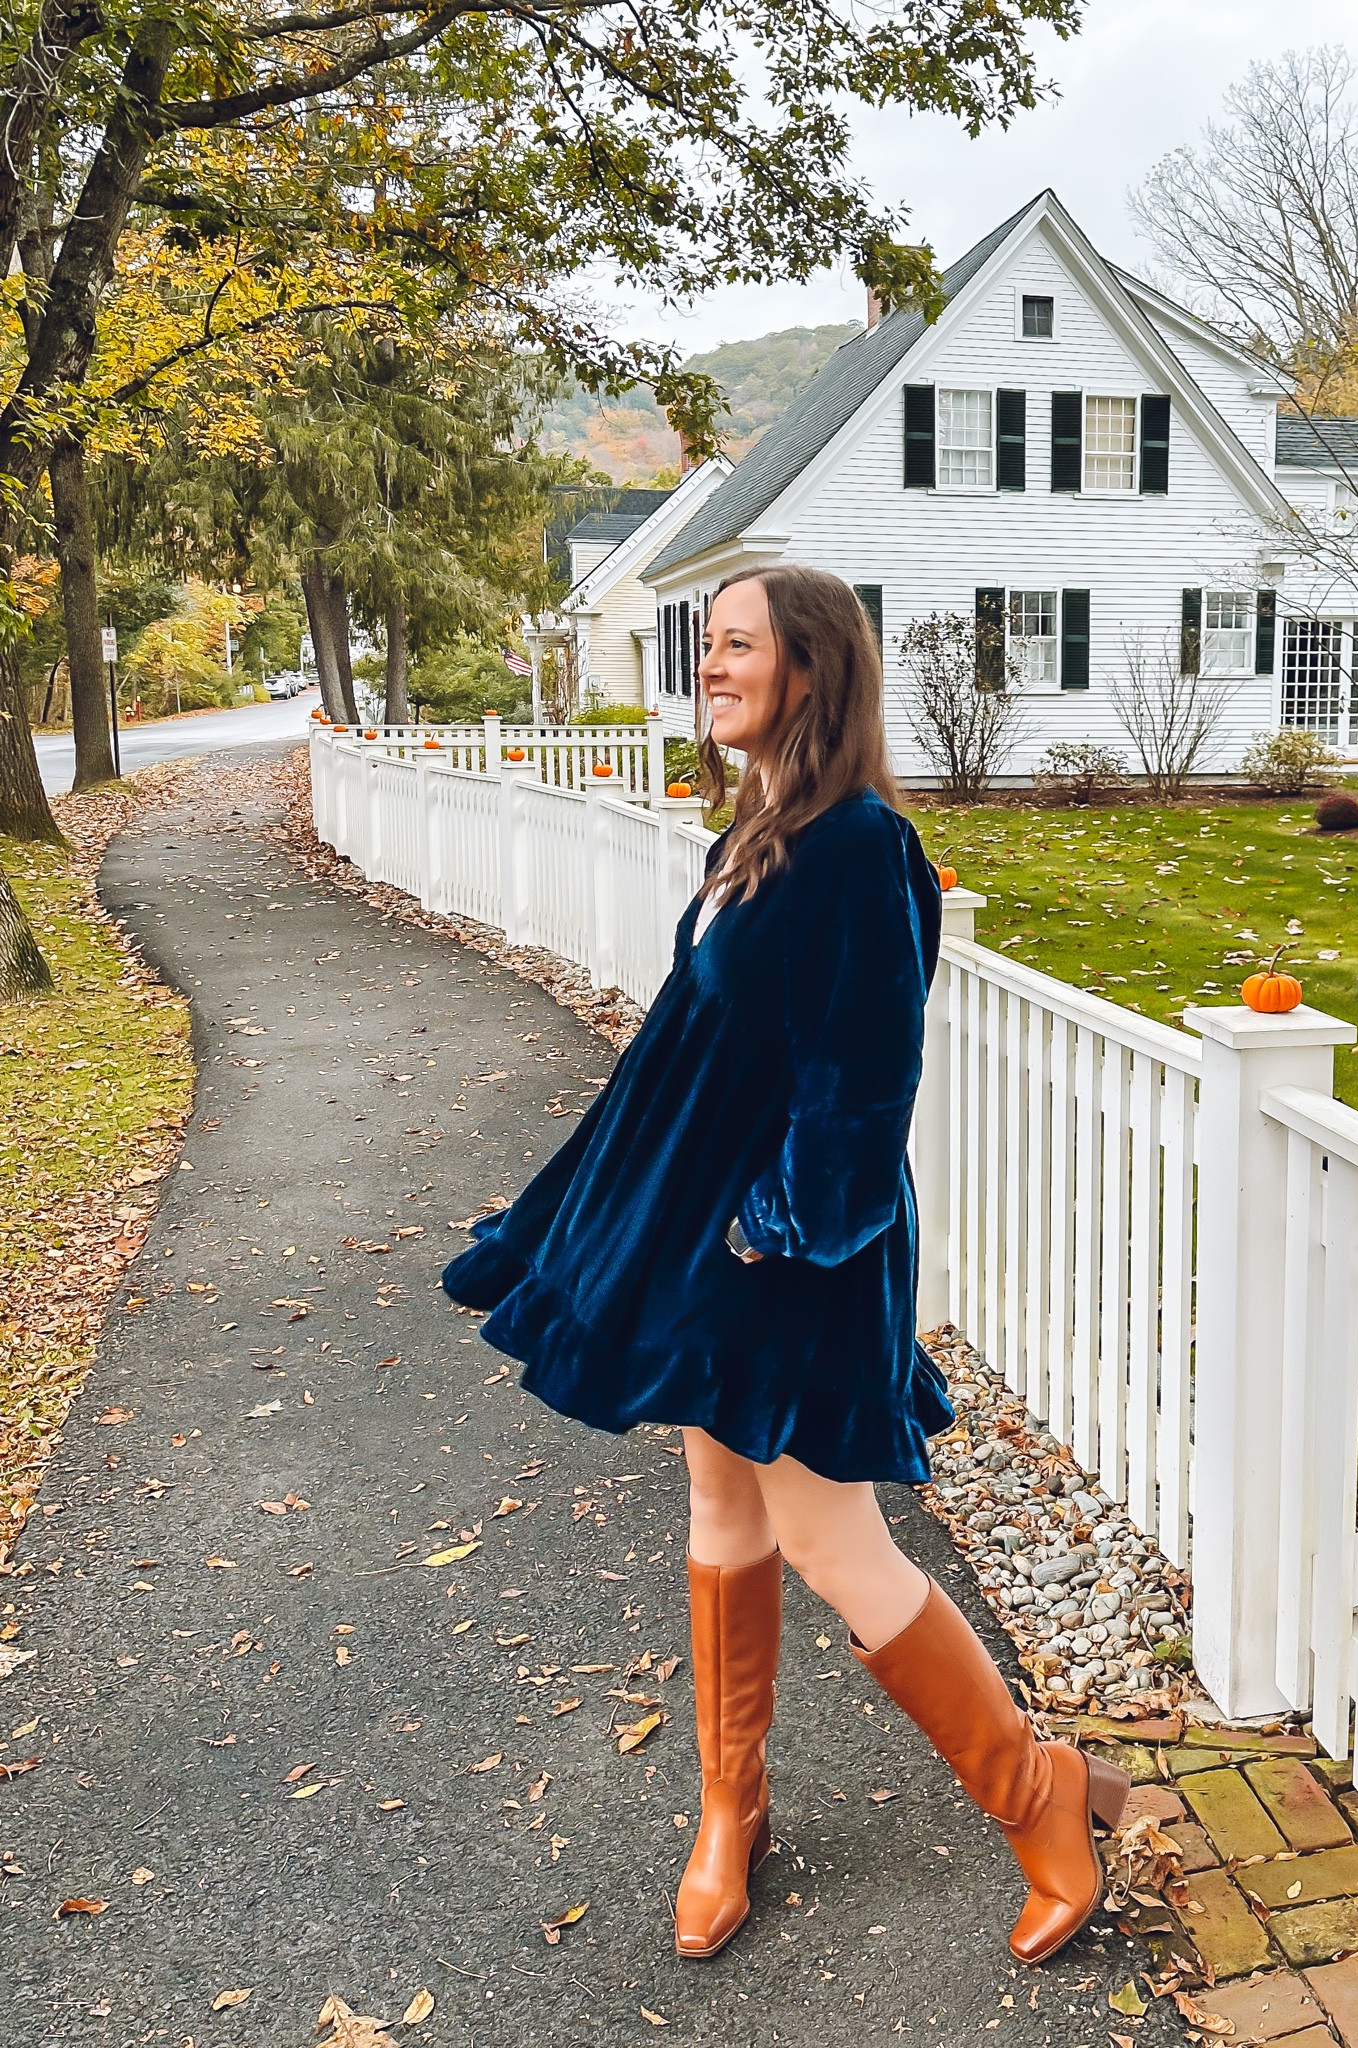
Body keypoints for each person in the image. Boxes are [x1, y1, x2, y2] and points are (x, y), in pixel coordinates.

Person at [442, 565, 1128, 1966]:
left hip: (799, 1247)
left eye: (739, 647)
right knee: (721, 1512)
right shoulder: (757, 833)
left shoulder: (861, 846)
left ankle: (1038, 1794)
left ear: (810, 672)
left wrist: (779, 1227)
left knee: (829, 1536)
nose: (712, 667)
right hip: (718, 1246)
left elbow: (865, 1077)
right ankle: (730, 1809)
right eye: (709, 647)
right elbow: (687, 1064)